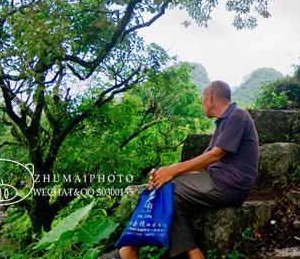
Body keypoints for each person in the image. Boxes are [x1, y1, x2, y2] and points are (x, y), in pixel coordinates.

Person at [108, 81, 259, 259]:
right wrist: (163, 173)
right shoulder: (223, 122)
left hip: (229, 183)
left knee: (165, 189)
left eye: (202, 99)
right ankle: (192, 254)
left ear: (210, 97)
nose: (202, 103)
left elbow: (216, 155)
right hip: (218, 179)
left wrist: (172, 171)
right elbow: (204, 161)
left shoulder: (238, 115)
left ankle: (129, 251)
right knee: (167, 194)